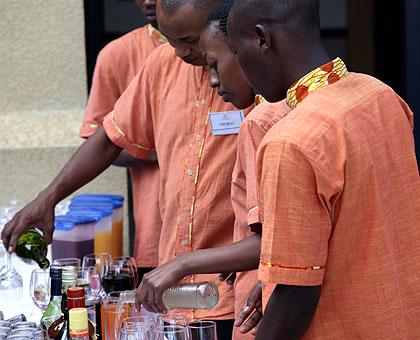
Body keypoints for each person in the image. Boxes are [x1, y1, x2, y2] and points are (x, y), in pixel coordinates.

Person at [1, 0, 252, 338]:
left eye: (190, 41)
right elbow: (110, 137)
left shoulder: (255, 73)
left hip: (240, 298)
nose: (180, 52)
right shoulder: (162, 64)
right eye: (171, 40)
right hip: (172, 296)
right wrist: (48, 198)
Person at [227, 0, 420, 339]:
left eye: (236, 51)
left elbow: (297, 295)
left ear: (261, 39)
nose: (241, 67)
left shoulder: (290, 140)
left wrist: (279, 290)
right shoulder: (382, 96)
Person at [134, 2, 289, 340]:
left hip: (258, 305)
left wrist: (184, 262)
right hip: (225, 294)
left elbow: (283, 241)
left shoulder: (269, 121)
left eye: (214, 64)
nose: (212, 80)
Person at [80, 0, 167, 277]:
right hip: (153, 229)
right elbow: (98, 139)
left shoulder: (221, 51)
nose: (148, 1)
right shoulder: (117, 54)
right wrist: (157, 149)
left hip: (222, 239)